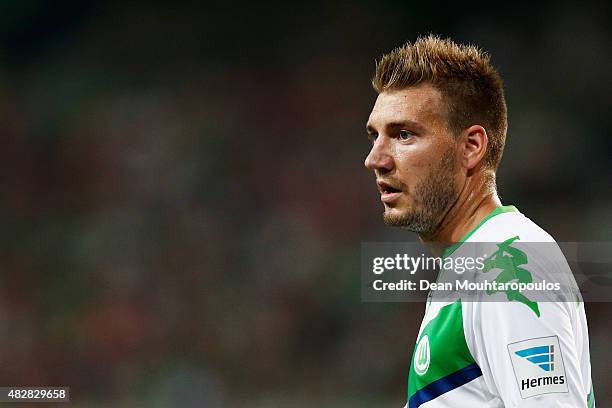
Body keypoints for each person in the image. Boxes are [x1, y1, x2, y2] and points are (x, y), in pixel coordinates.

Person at [364, 35, 594, 407]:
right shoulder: (471, 264)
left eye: (403, 134)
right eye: (375, 136)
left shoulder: (507, 265)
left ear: (471, 146)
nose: (375, 159)